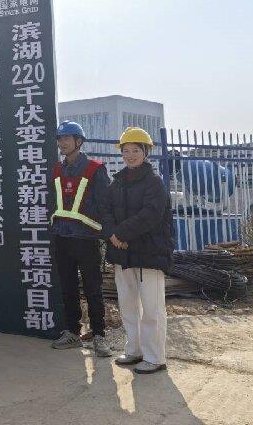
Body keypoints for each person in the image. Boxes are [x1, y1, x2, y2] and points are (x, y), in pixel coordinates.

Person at [102, 127, 175, 374]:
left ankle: (155, 357)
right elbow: (105, 212)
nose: (130, 155)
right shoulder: (117, 182)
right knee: (128, 306)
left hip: (149, 255)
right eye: (126, 151)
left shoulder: (154, 183)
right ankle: (134, 351)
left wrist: (121, 234)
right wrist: (113, 235)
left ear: (145, 152)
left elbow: (150, 215)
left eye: (135, 150)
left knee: (152, 309)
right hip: (122, 255)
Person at [49, 121, 113, 357]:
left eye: (67, 138)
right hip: (62, 238)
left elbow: (105, 205)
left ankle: (99, 335)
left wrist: (108, 235)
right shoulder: (57, 170)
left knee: (93, 288)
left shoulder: (95, 169)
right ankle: (72, 332)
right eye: (60, 139)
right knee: (68, 288)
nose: (62, 143)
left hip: (86, 239)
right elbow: (52, 202)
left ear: (79, 141)